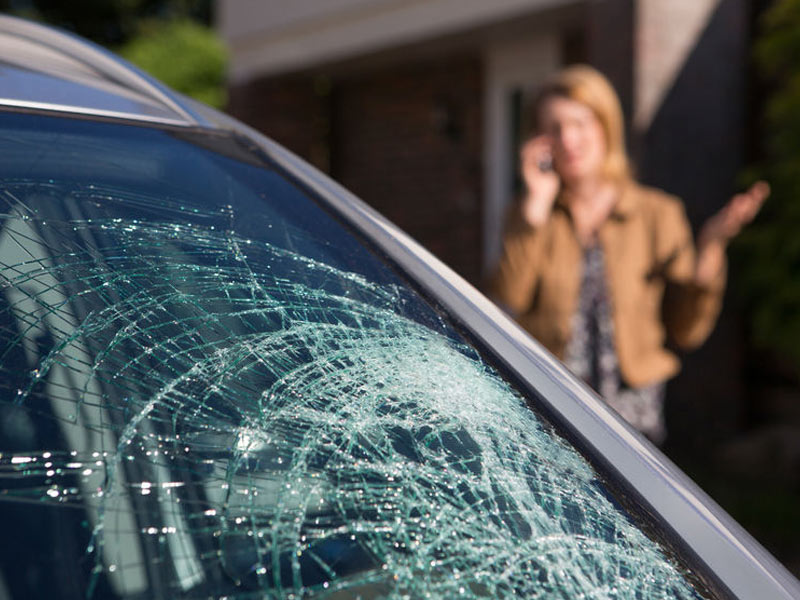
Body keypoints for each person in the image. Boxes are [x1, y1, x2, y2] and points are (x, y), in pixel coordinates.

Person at [489, 64, 768, 444]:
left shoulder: (657, 213)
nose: (568, 139)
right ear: (539, 141)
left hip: (634, 419)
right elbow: (505, 304)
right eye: (553, 127)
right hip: (549, 411)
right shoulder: (529, 216)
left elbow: (688, 329)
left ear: (606, 126)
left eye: (580, 122)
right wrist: (534, 212)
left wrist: (712, 247)